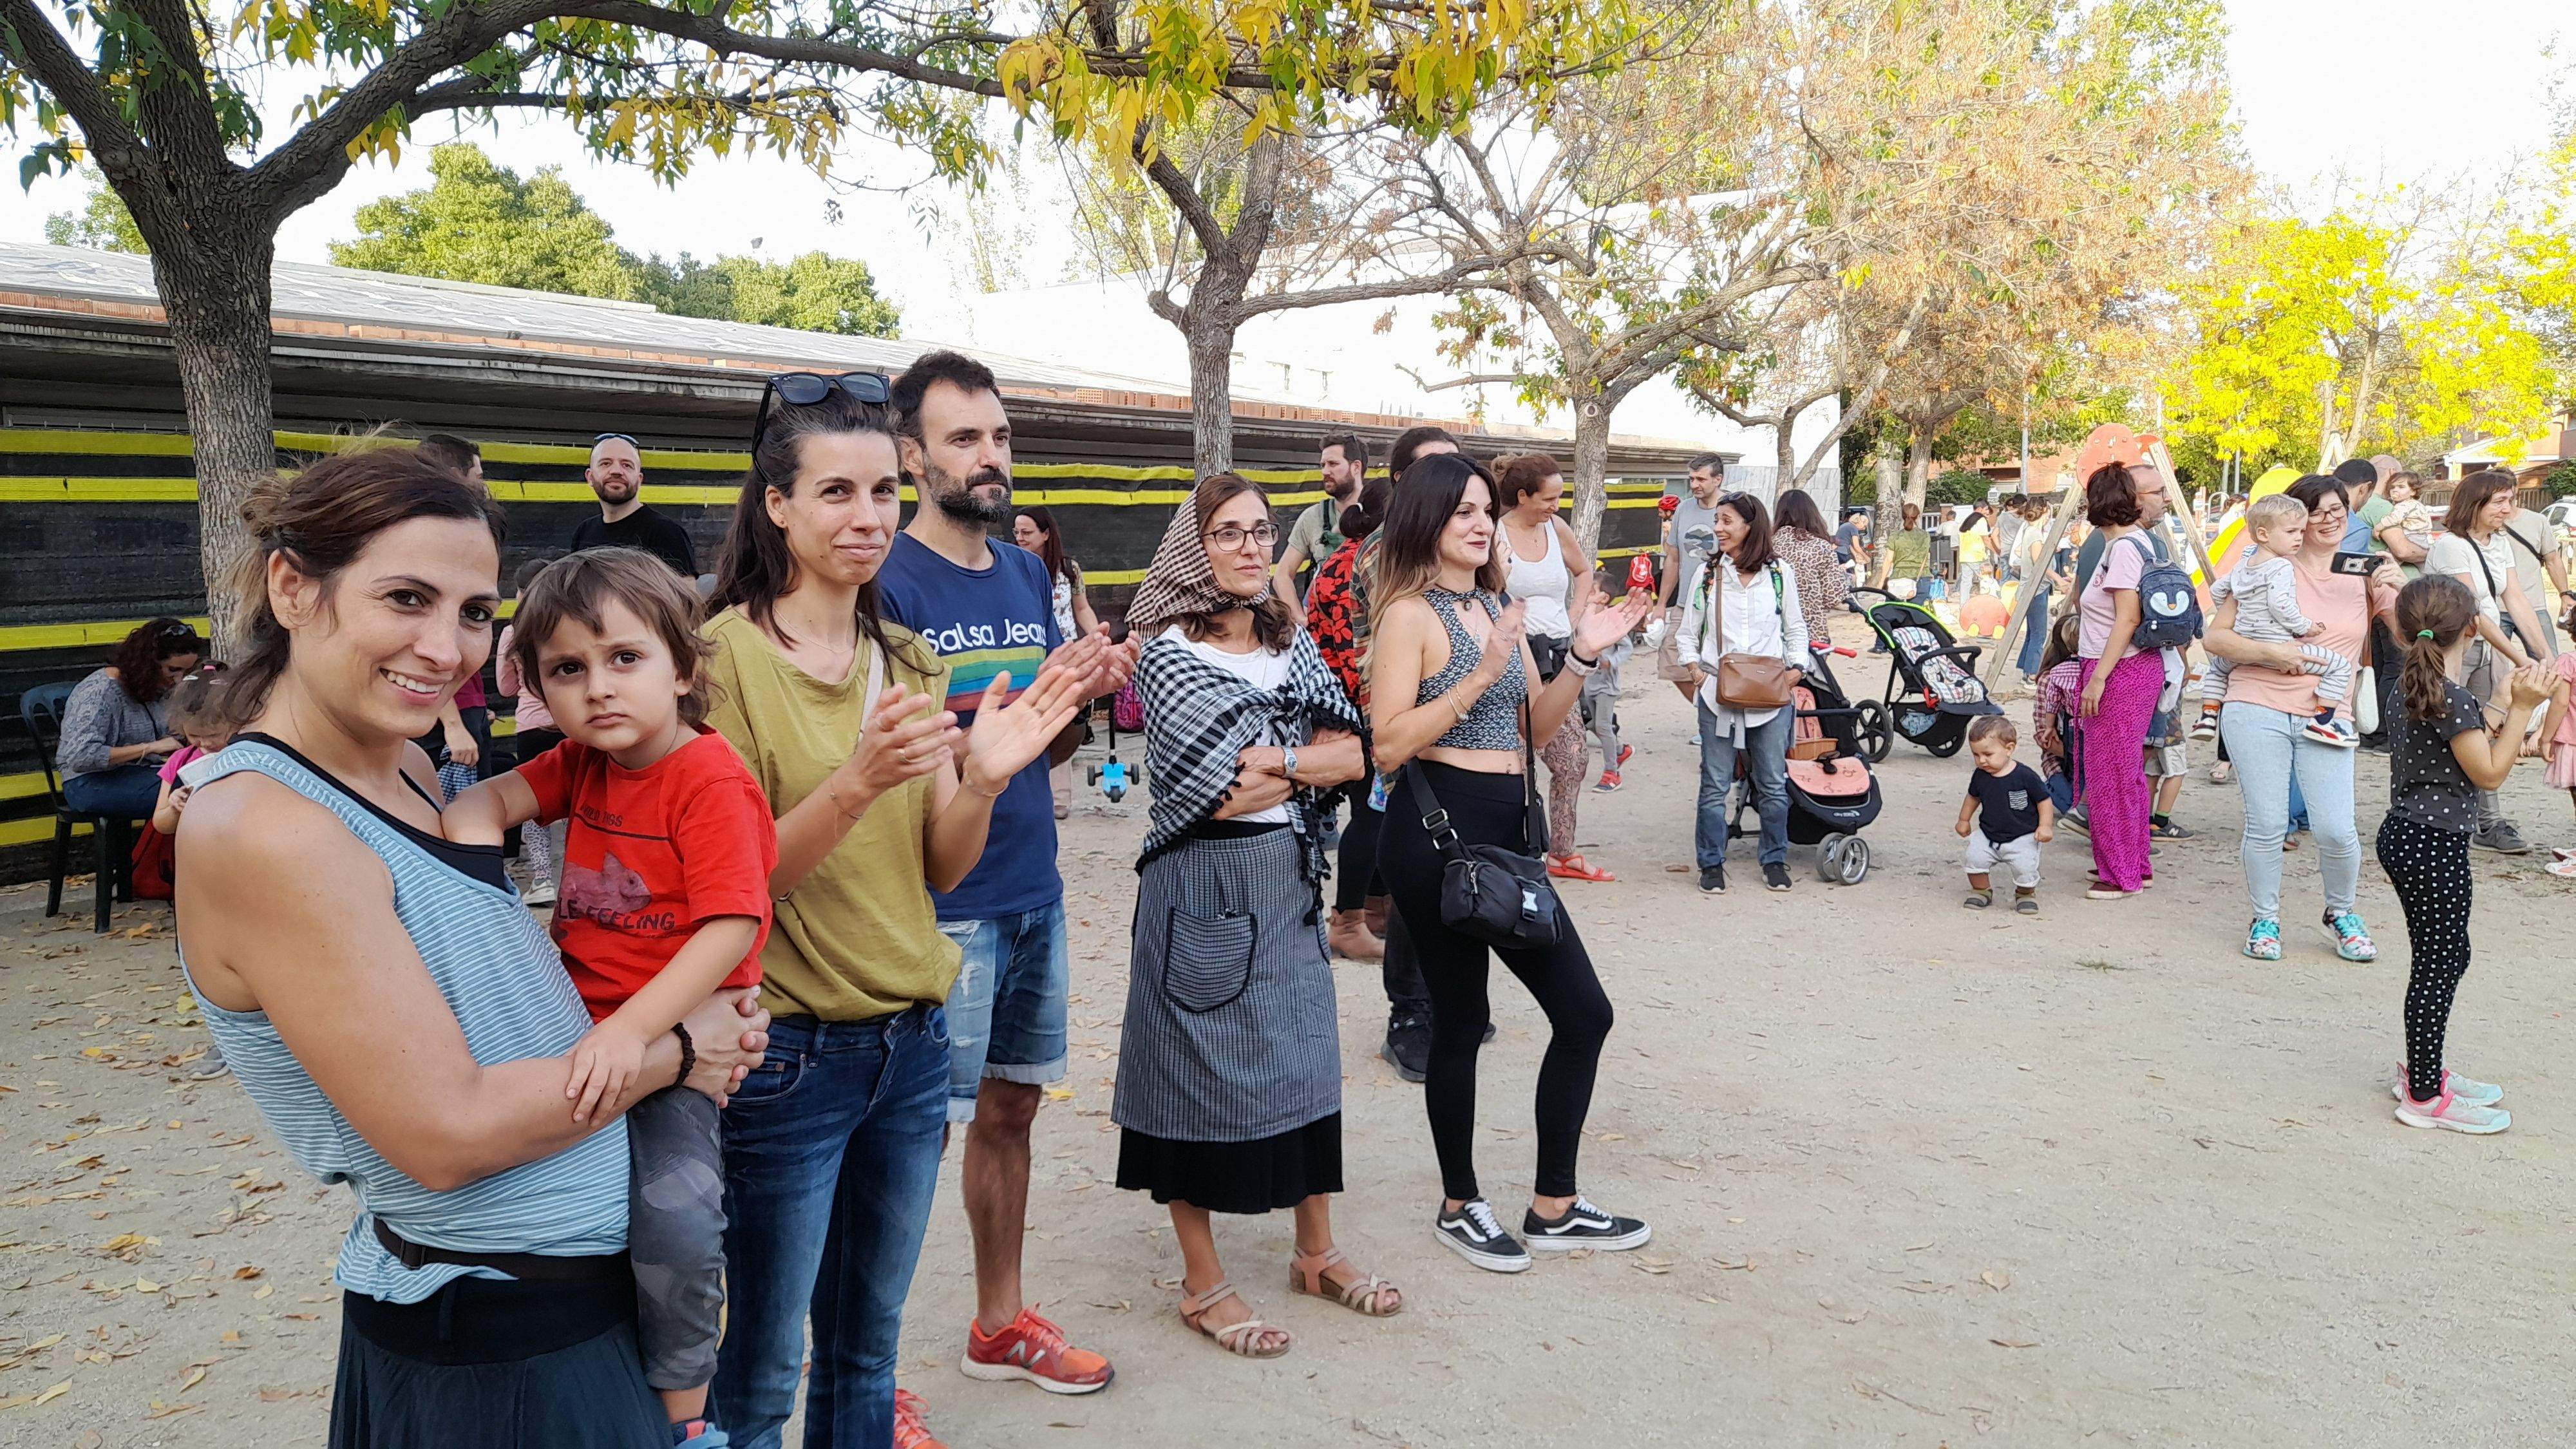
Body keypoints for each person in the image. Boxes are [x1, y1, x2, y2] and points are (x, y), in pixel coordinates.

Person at [170, 446, 771, 1447]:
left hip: (574, 1314)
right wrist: (677, 1047)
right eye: (406, 597)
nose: (445, 648)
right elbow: (444, 1134)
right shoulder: (267, 824)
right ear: (292, 586)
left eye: (474, 611)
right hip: (502, 1351)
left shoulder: (405, 766)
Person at [697, 374, 1097, 1449]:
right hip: (786, 1060)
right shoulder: (721, 662)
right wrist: (859, 781)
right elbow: (735, 887)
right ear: (777, 504)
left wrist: (984, 780)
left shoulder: (906, 660)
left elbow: (941, 872)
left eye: (881, 490)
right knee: (763, 1367)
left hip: (911, 1048)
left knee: (866, 1356)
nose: (867, 517)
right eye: (835, 492)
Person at [442, 548, 776, 1449]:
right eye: (568, 669)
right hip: (573, 1031)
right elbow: (482, 803)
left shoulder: (708, 780)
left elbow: (730, 927)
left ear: (681, 663)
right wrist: (480, 871)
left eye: (624, 658)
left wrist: (635, 1032)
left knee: (677, 1222)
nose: (598, 689)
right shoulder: (582, 763)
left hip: (667, 1049)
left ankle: (684, 1417)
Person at [876, 351, 1133, 1403]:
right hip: (936, 906)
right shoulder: (883, 581)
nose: (991, 459)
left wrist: (1079, 697)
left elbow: (1036, 748)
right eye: (965, 439)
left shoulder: (1029, 575)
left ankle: (997, 1323)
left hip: (1036, 889)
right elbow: (893, 768)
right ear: (911, 456)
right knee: (907, 1141)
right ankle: (866, 1380)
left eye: (1001, 437)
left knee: (1013, 1112)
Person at [1114, 473, 1399, 1358]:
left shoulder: (1288, 638)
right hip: (1200, 886)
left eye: (1260, 531)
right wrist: (1305, 757)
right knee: (1193, 1073)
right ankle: (1204, 1283)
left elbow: (1358, 748)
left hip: (1285, 876)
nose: (1247, 546)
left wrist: (1280, 757)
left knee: (1307, 1057)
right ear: (1194, 547)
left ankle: (1315, 1253)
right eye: (1227, 532)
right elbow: (1209, 795)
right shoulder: (1166, 651)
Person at [1367, 451, 1651, 1273]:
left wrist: (1585, 657)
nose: (1480, 521)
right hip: (1435, 837)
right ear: (1425, 519)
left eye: (1485, 508)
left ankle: (1553, 1205)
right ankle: (1460, 1204)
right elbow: (1388, 744)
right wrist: (1482, 672)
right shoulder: (1409, 617)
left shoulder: (1496, 604)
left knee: (1583, 1012)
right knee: (1459, 1021)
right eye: (1461, 510)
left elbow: (1534, 728)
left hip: (1506, 833)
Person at [2379, 574, 2552, 1134]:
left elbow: (2468, 747)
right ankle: (2424, 1095)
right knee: (2441, 964)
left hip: (2410, 836)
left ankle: (2424, 1072)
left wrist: (2500, 704)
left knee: (2443, 958)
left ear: (2403, 633)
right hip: (2431, 844)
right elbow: (2491, 770)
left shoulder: (2414, 686)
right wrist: (2524, 706)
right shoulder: (2447, 697)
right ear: (2474, 630)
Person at [2206, 473, 2395, 962]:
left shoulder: (2362, 569)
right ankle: (2265, 918)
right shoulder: (2264, 566)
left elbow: (2407, 626)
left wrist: (2397, 584)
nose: (2332, 518)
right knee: (2267, 824)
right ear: (2293, 520)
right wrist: (2270, 653)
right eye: (2319, 511)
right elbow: (2216, 639)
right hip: (2257, 702)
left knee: (2336, 829)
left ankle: (2341, 912)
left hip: (2329, 713)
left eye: (2339, 509)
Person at [1330, 422, 1466, 1080]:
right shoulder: (1386, 551)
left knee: (1457, 867)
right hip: (1404, 727)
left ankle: (1449, 1000)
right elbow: (1387, 656)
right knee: (1413, 869)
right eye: (1431, 467)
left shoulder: (1465, 548)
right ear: (1402, 477)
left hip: (1459, 731)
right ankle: (1408, 1013)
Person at [1678, 493, 1810, 895]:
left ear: (1750, 526)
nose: (1718, 527)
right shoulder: (1708, 573)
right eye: (1717, 520)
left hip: (1772, 698)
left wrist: (1796, 671)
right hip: (1718, 693)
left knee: (1772, 783)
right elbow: (1688, 631)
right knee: (1714, 784)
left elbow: (1795, 627)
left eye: (1727, 521)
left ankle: (1774, 860)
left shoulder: (1779, 573)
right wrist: (1697, 674)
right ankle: (1712, 864)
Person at [1495, 453, 1610, 883]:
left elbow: (1583, 571)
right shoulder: (1494, 536)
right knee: (1516, 762)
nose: (1556, 505)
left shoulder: (1557, 529)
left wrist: (1576, 614)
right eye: (1549, 498)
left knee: (1572, 760)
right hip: (1513, 662)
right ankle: (1515, 851)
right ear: (1522, 496)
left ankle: (1562, 851)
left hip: (1559, 658)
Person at [2423, 469, 2546, 854]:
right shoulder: (2450, 547)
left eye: (2511, 500)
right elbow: (2473, 610)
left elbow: (2516, 599)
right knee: (2460, 732)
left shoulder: (2500, 543)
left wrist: (2545, 655)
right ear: (2474, 504)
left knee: (2484, 730)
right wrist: (2521, 657)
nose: (2509, 509)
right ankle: (2462, 817)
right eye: (2501, 501)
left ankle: (2486, 821)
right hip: (2456, 645)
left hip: (2489, 645)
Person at [1305, 471, 1396, 962]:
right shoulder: (1362, 563)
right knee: (1372, 814)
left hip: (1353, 703)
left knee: (1378, 810)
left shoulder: (1346, 557)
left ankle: (1376, 909)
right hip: (1357, 707)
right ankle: (1348, 921)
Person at [2190, 495, 2358, 748]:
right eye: (2291, 532)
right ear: (2263, 534)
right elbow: (2280, 606)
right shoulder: (2281, 567)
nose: (2299, 538)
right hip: (2278, 642)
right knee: (2339, 667)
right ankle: (2323, 721)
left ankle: (2208, 714)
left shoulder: (2243, 565)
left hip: (2245, 646)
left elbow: (2219, 590)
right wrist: (2305, 627)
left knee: (2217, 670)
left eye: (2301, 531)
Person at [2071, 461, 2166, 899]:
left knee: (2109, 774)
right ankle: (2133, 863)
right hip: (2130, 668)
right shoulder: (2139, 543)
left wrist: (2098, 679)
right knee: (2124, 772)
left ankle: (2120, 874)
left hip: (2117, 669)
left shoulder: (2124, 548)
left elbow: (2126, 618)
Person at [55, 617, 204, 820]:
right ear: (148, 663)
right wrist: (150, 748)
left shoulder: (151, 687)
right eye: (173, 670)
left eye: (186, 671)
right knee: (191, 792)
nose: (178, 679)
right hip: (88, 783)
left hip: (136, 773)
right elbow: (81, 757)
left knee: (205, 779)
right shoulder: (100, 692)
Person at [1013, 506, 1103, 821]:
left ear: (1046, 534)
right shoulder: (1012, 567)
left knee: (1062, 720)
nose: (1020, 539)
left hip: (1064, 653)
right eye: (1016, 533)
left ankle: (1060, 798)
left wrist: (1097, 639)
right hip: (1028, 656)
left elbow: (1082, 609)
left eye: (1027, 532)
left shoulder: (1069, 570)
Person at [496, 555, 566, 906]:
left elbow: (505, 687)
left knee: (534, 809)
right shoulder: (566, 625)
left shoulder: (512, 632)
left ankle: (542, 880)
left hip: (531, 727)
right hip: (570, 724)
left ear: (519, 592)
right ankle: (573, 876)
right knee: (579, 805)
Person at [1954, 715, 2054, 913]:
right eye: (1976, 755)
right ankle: (1981, 890)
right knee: (1974, 859)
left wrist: (2045, 826)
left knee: (2025, 867)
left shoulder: (2025, 776)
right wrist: (1964, 819)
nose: (1981, 761)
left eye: (1988, 754)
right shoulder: (1980, 776)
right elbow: (1973, 797)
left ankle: (2025, 893)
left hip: (2023, 835)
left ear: (2009, 749)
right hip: (1988, 833)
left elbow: (2044, 801)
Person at [1272, 432, 1368, 625]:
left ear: (1356, 467)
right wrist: (1301, 619)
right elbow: (1282, 575)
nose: (1325, 471)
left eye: (1333, 464)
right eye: (1322, 465)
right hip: (1327, 638)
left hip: (1372, 633)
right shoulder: (1313, 517)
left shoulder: (1384, 514)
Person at [575, 433, 701, 580]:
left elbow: (686, 598)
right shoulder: (583, 532)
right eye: (605, 463)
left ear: (640, 479)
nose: (616, 471)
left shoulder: (666, 533)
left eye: (627, 465)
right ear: (589, 477)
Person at [1654, 455, 1727, 701]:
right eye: (1692, 479)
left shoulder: (1733, 508)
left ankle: (1720, 719)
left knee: (1718, 665)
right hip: (1686, 603)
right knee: (1672, 660)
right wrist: (1661, 605)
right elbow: (1673, 559)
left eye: (1701, 479)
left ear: (1718, 479)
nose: (1695, 484)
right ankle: (1707, 712)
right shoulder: (1683, 509)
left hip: (1722, 604)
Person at [147, 665, 231, 838]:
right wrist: (174, 808)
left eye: (214, 735)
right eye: (194, 735)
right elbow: (161, 824)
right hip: (197, 847)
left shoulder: (248, 752)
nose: (205, 743)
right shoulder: (180, 761)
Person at [2031, 611, 2085, 814]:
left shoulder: (2096, 675)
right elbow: (2043, 736)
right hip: (2062, 759)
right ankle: (2045, 790)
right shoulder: (2050, 678)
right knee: (2075, 806)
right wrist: (2076, 754)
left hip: (2084, 755)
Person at [1772, 488, 1850, 629]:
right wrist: (1847, 578)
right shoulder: (1820, 546)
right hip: (1809, 628)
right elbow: (1833, 597)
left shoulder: (1766, 545)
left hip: (1773, 629)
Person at [417, 432, 484, 488]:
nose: (485, 488)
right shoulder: (460, 502)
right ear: (456, 475)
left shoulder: (410, 498)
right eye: (479, 478)